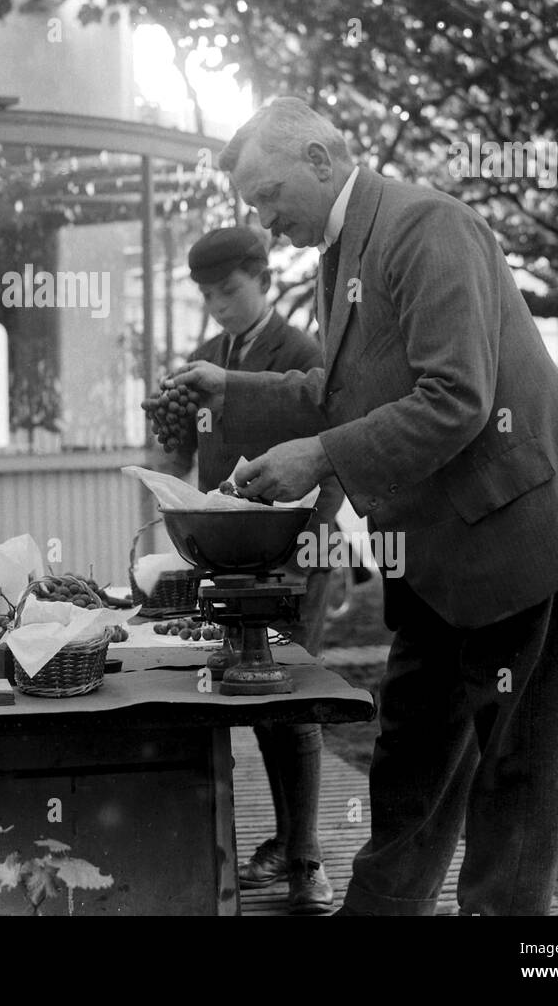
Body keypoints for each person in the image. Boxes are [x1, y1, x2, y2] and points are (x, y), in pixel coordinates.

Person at [171, 96, 558, 916]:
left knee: (512, 770)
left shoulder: (427, 226)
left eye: (268, 196)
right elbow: (337, 391)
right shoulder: (341, 248)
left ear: (320, 159)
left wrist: (319, 455)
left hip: (516, 532)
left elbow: (457, 398)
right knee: (411, 751)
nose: (265, 222)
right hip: (434, 549)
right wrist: (233, 385)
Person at [148, 224, 344, 915]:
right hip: (229, 558)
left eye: (230, 290)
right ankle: (288, 841)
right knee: (249, 685)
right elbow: (181, 464)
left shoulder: (307, 354)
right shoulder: (201, 361)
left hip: (298, 552)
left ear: (263, 278)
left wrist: (315, 549)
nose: (220, 306)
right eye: (206, 295)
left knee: (290, 697)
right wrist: (164, 431)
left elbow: (333, 453)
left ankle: (309, 861)